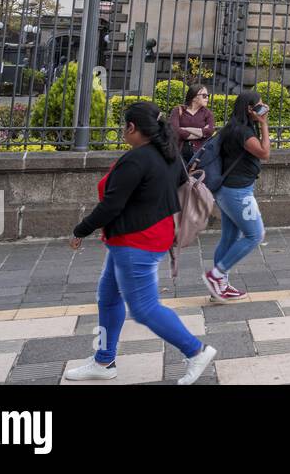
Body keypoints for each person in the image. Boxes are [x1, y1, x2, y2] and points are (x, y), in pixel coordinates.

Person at [65, 101, 217, 384]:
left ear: (132, 127)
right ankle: (104, 360)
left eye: (125, 126)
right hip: (144, 236)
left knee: (144, 308)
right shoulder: (168, 154)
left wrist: (79, 231)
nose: (124, 131)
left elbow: (111, 206)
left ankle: (196, 351)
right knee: (108, 297)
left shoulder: (137, 160)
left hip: (136, 242)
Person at [204, 90, 271, 303]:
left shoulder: (232, 127)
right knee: (255, 235)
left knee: (230, 237)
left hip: (227, 190)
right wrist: (264, 124)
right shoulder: (243, 132)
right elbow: (264, 153)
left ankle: (219, 287)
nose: (262, 108)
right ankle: (216, 276)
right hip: (238, 192)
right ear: (249, 109)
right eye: (258, 106)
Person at [170, 83, 215, 162]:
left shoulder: (208, 113)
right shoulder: (178, 110)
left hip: (199, 154)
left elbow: (210, 131)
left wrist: (186, 129)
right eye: (204, 95)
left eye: (208, 95)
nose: (207, 98)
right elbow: (175, 130)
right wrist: (201, 133)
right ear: (194, 97)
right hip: (179, 152)